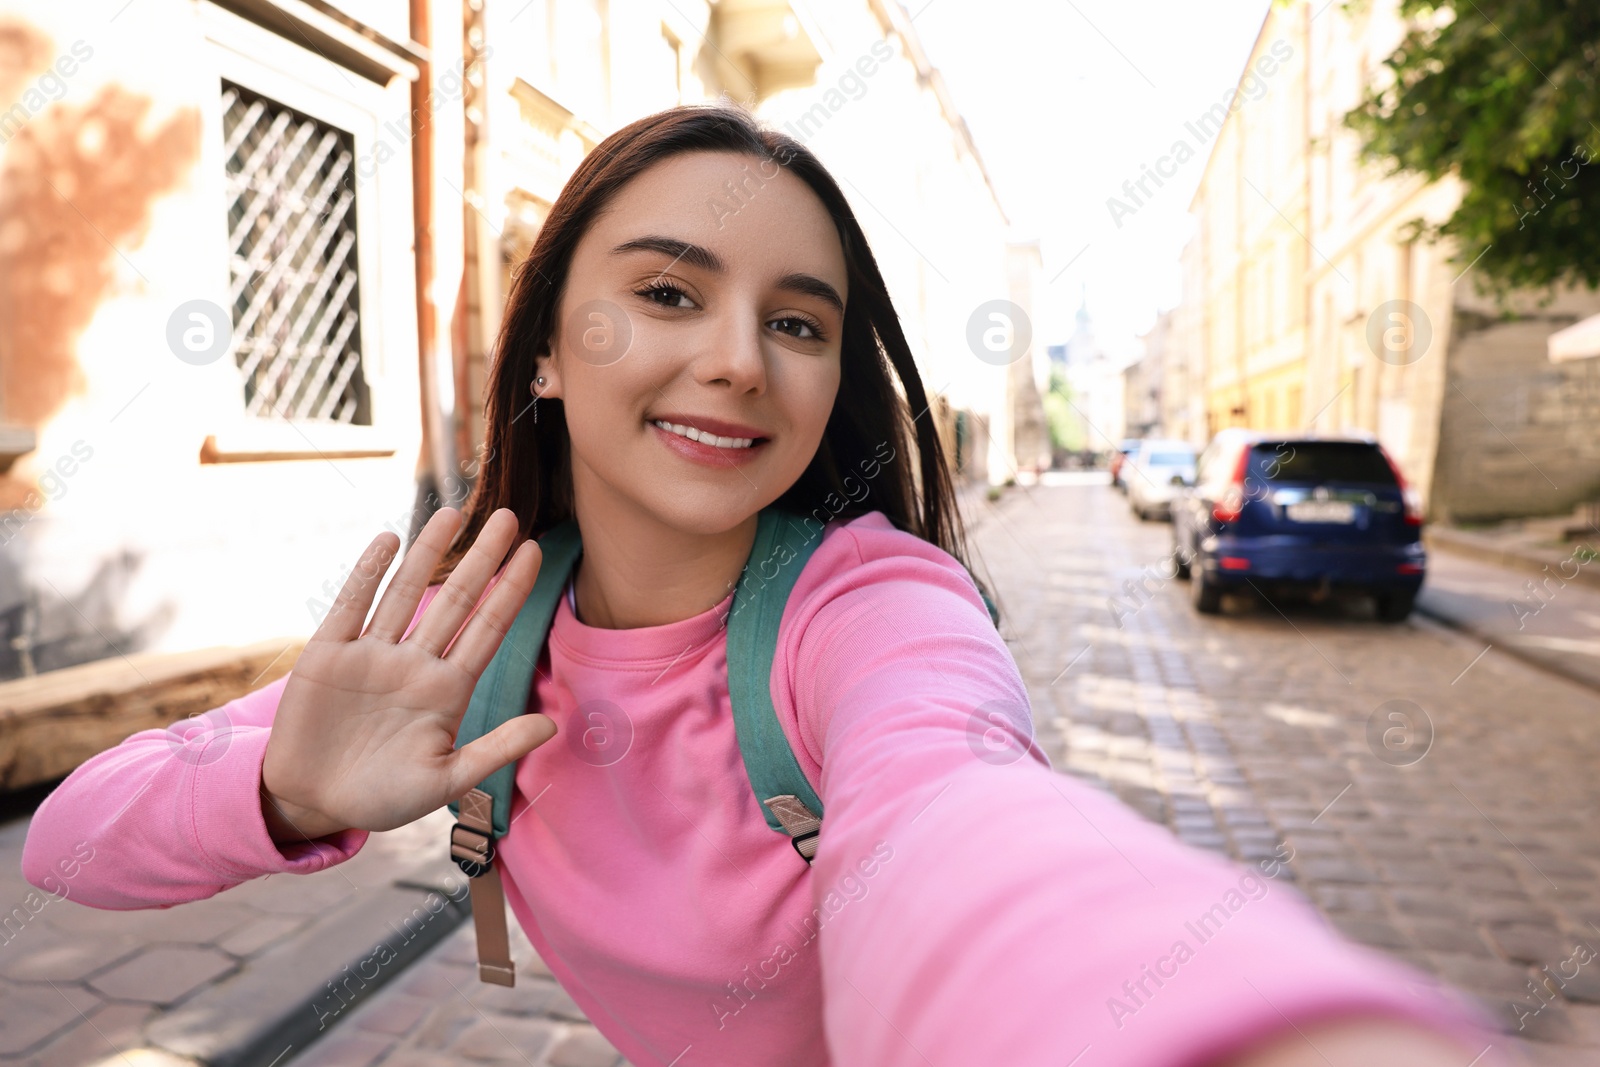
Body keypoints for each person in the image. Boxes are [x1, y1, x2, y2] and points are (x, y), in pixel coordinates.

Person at [24, 104, 1500, 1067]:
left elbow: (958, 811)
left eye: (797, 320)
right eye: (669, 292)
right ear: (544, 347)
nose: (740, 354)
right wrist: (282, 794)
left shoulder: (872, 607)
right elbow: (69, 853)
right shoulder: (475, 633)